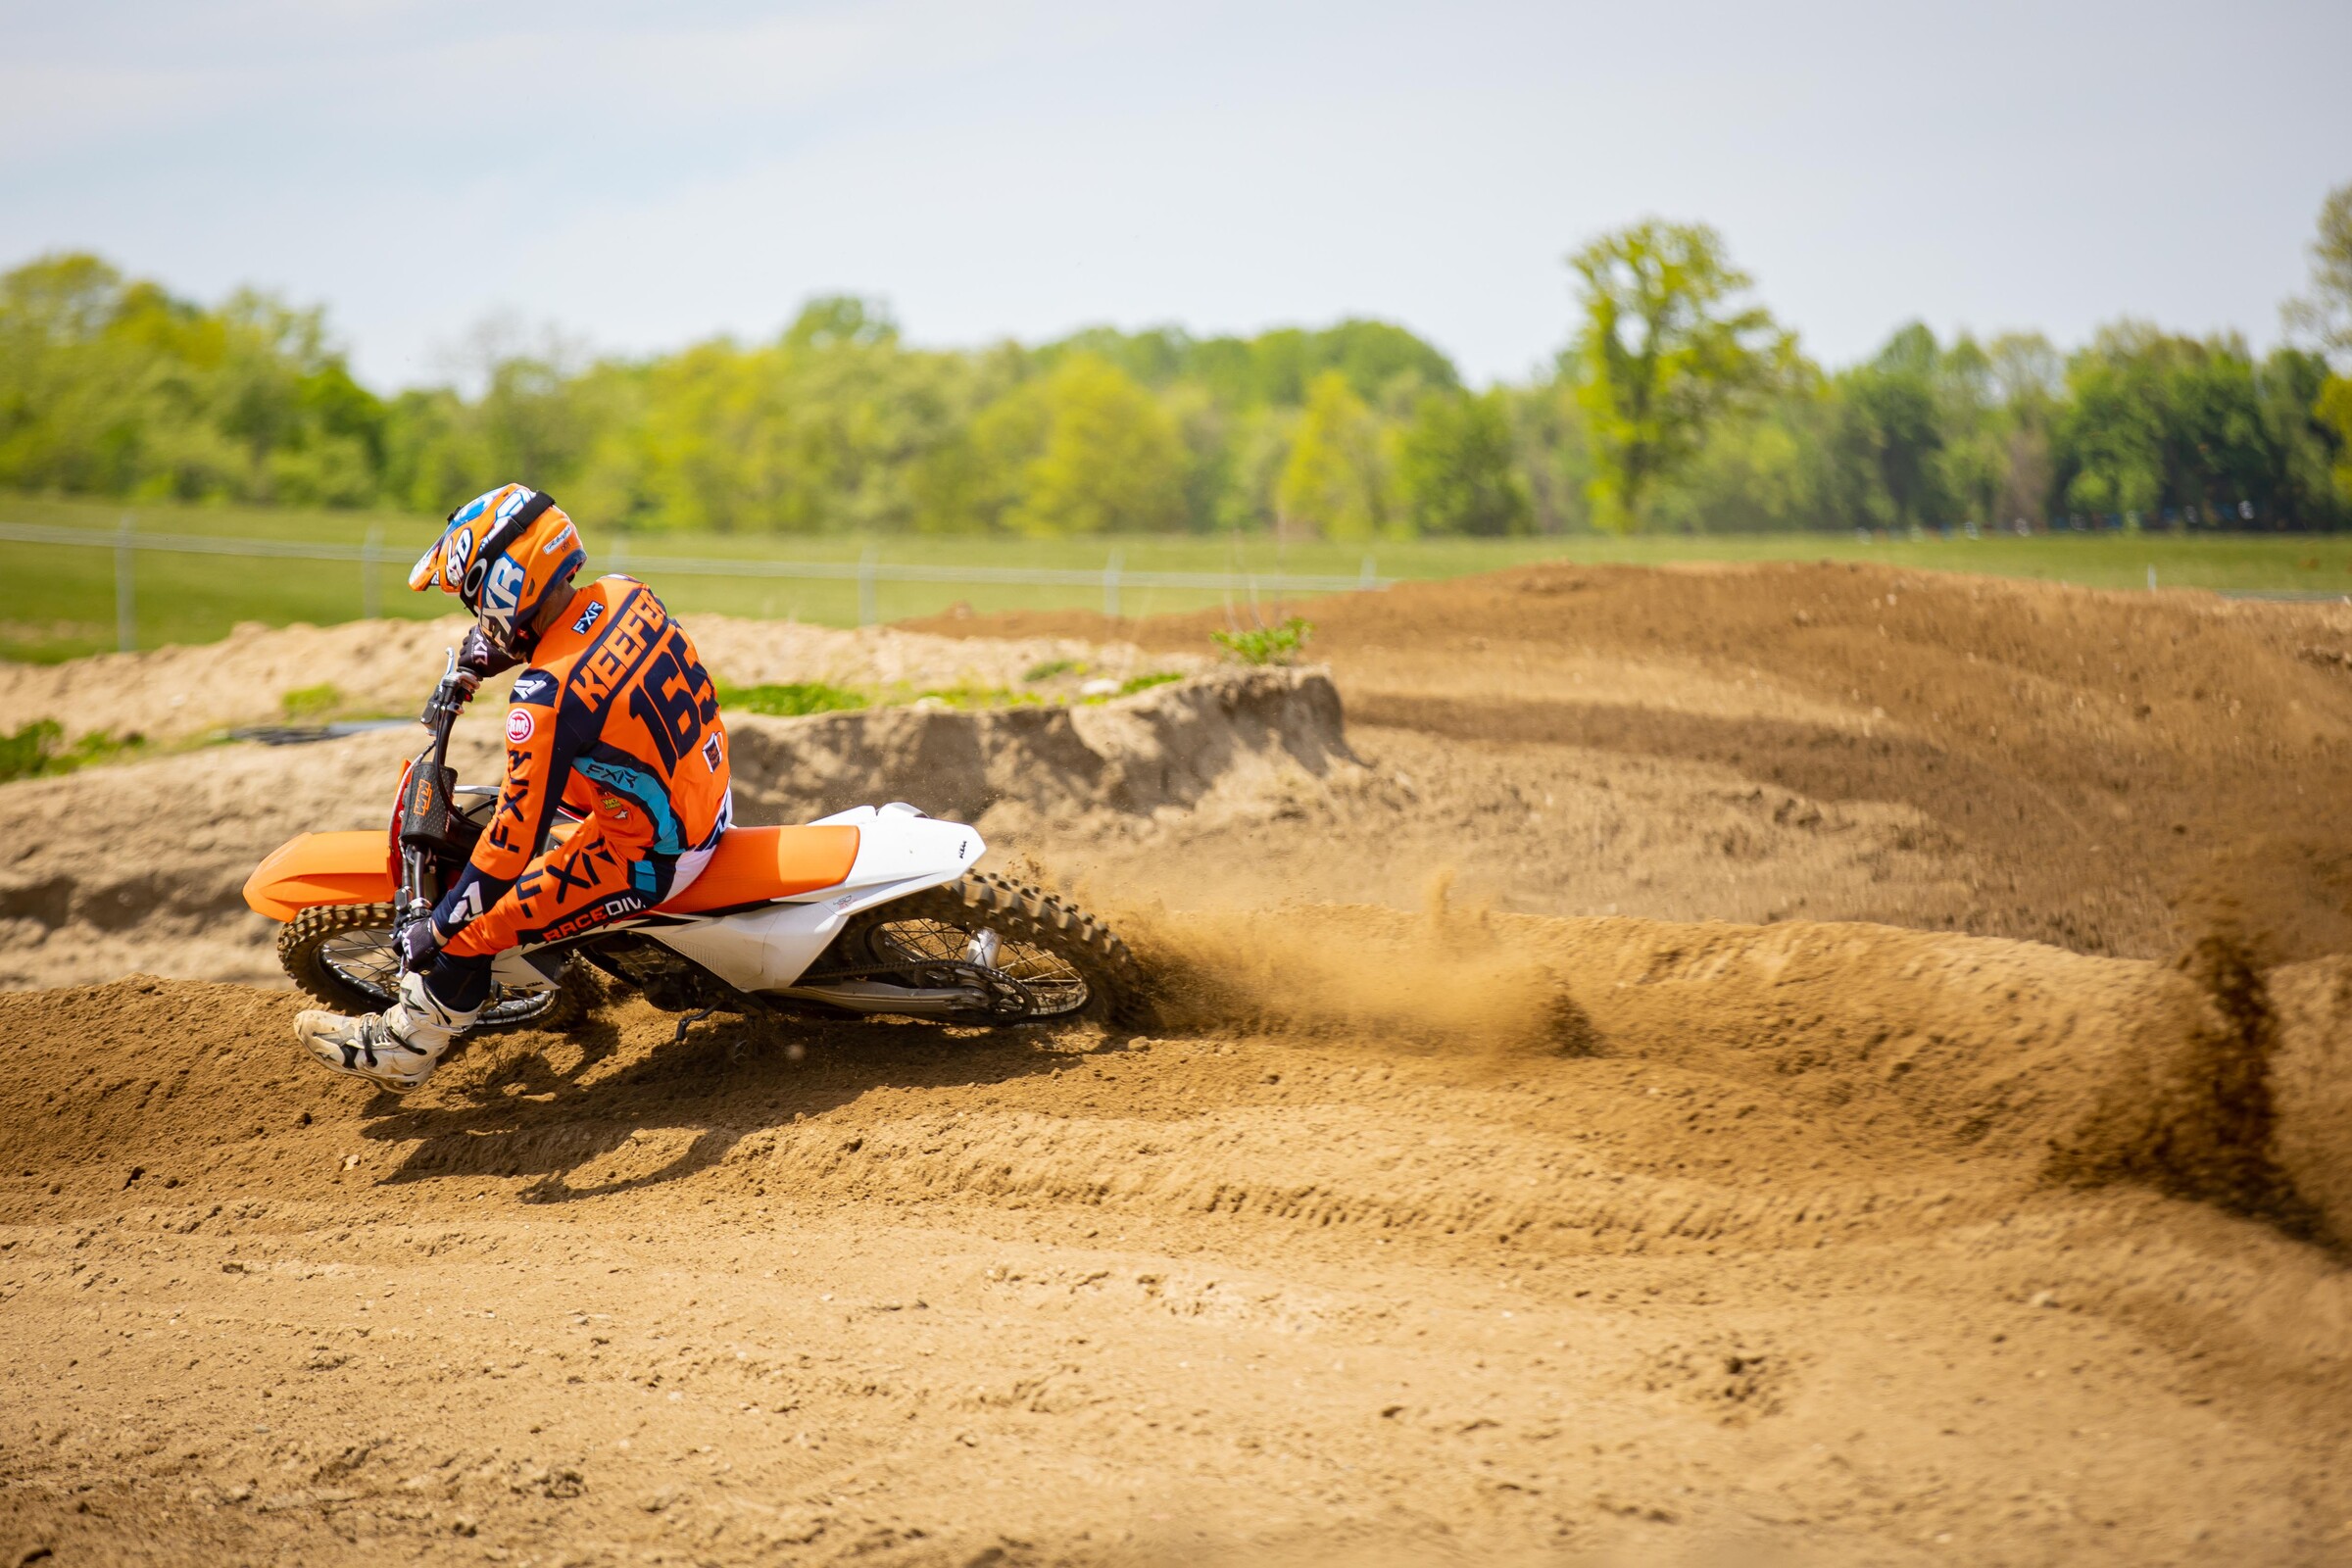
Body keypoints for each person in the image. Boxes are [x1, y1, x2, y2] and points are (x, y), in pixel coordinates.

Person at [296, 483, 733, 1090]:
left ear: (506, 584)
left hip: (651, 854)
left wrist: (440, 927)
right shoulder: (627, 593)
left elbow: (510, 847)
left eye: (476, 598)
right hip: (691, 784)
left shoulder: (546, 699)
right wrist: (484, 658)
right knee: (513, 812)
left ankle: (408, 1047)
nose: (477, 615)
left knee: (475, 923)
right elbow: (579, 641)